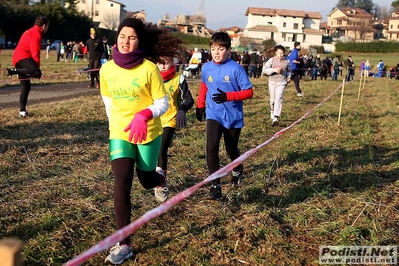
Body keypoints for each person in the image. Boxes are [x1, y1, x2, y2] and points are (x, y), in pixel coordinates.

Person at [100, 17, 186, 264]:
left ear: (139, 41)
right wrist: (115, 129)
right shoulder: (106, 70)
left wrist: (144, 114)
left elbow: (163, 103)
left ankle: (159, 177)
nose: (127, 42)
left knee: (146, 180)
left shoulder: (148, 69)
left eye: (132, 37)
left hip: (148, 132)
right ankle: (124, 244)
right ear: (117, 37)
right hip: (120, 132)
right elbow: (109, 103)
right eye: (123, 36)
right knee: (122, 183)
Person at [195, 31, 253, 200]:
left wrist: (227, 96)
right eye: (213, 49)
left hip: (233, 116)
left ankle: (237, 168)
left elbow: (249, 92)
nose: (216, 52)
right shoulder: (206, 67)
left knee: (231, 149)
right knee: (211, 148)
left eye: (220, 49)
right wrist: (200, 104)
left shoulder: (236, 69)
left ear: (228, 50)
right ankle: (215, 185)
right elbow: (204, 85)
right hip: (214, 114)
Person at [156, 55, 194, 182]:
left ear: (172, 63)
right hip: (154, 119)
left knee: (161, 149)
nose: (162, 66)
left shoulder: (179, 78)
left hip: (170, 119)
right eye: (159, 63)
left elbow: (188, 99)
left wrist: (182, 110)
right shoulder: (151, 77)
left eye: (166, 63)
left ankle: (161, 181)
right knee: (153, 149)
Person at [6, 15, 49, 118]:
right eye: (47, 26)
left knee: (26, 86)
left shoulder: (30, 31)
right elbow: (35, 52)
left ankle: (22, 112)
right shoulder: (36, 33)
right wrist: (36, 68)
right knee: (37, 73)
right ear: (43, 26)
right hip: (23, 57)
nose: (47, 28)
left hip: (17, 58)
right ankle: (13, 71)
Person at [263, 45, 291, 126]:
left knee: (278, 99)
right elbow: (265, 70)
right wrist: (274, 70)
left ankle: (276, 117)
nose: (280, 55)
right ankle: (272, 110)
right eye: (278, 53)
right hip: (272, 82)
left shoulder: (287, 61)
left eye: (282, 53)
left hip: (281, 82)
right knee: (272, 100)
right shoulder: (271, 60)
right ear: (275, 53)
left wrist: (289, 77)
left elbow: (289, 70)